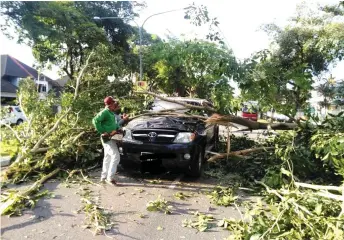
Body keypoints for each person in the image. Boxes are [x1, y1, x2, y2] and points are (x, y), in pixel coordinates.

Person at [92, 96, 122, 185]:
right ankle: (110, 178)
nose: (115, 105)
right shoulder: (105, 112)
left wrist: (118, 128)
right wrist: (103, 131)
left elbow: (114, 125)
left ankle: (104, 177)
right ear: (110, 104)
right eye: (114, 103)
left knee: (107, 157)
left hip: (112, 136)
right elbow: (95, 120)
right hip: (107, 137)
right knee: (116, 156)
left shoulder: (111, 113)